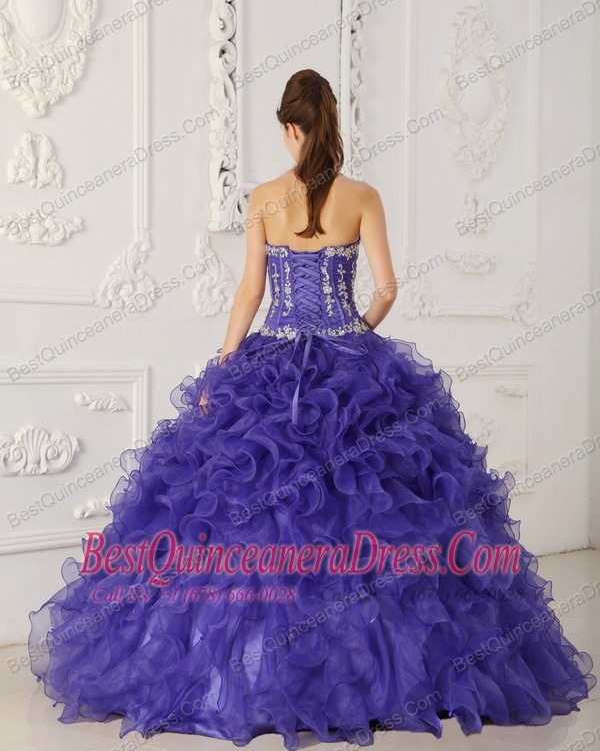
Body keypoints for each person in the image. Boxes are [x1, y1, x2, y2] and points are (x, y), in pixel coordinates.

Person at [28, 69, 596, 751]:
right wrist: (357, 335)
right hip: (351, 361)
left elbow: (249, 291)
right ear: (329, 123)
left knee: (253, 515)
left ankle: (257, 670)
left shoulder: (264, 198)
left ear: (290, 128)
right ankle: (383, 672)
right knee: (378, 511)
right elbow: (387, 289)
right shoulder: (363, 197)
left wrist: (225, 365)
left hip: (270, 362)